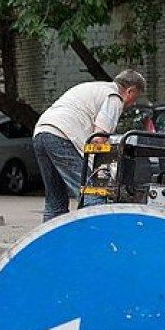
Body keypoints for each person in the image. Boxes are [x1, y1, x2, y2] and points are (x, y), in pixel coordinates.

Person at [33, 69, 146, 222]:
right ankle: (98, 240)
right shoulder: (114, 98)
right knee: (92, 195)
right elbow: (99, 139)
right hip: (63, 135)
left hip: (41, 131)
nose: (132, 104)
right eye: (135, 98)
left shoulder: (95, 88)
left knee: (55, 201)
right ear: (130, 91)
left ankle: (49, 244)